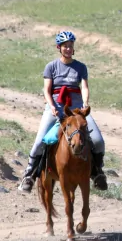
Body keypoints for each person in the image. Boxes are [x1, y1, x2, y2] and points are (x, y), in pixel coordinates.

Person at [18, 31, 108, 193]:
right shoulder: (51, 66)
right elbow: (46, 90)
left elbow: (85, 87)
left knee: (98, 140)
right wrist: (51, 106)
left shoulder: (81, 67)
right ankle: (29, 174)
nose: (68, 49)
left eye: (70, 46)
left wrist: (85, 103)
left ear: (73, 48)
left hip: (76, 109)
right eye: (65, 46)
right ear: (59, 48)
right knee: (40, 141)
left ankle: (97, 172)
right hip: (56, 107)